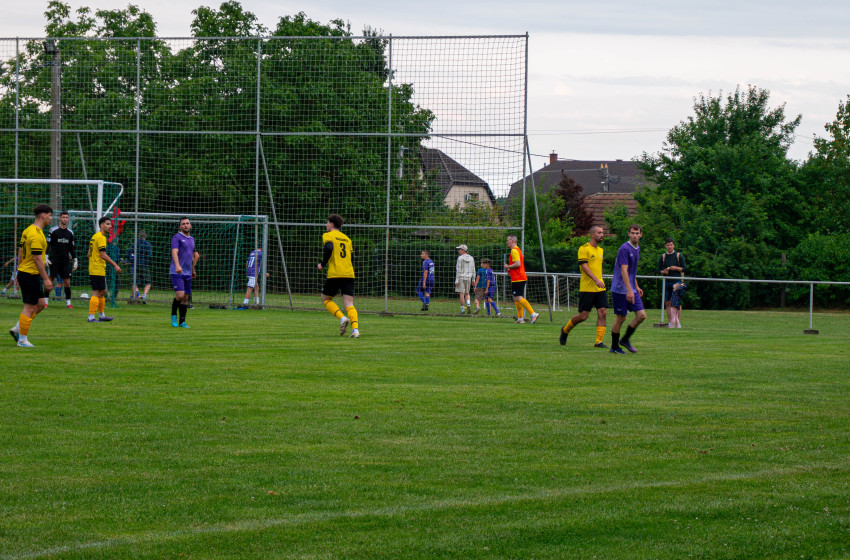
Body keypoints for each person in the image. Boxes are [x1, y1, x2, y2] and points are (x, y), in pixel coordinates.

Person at [9, 204, 53, 347]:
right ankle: (22, 340)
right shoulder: (35, 234)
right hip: (29, 274)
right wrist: (46, 279)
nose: (51, 218)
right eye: (50, 215)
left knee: (41, 304)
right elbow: (36, 258)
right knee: (29, 308)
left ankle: (18, 328)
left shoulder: (28, 230)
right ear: (43, 215)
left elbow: (20, 252)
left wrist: (18, 272)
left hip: (26, 272)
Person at [560, 225, 608, 348]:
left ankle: (599, 341)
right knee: (583, 316)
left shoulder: (601, 250)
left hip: (600, 288)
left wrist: (600, 278)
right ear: (592, 235)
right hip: (587, 288)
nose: (602, 235)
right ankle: (565, 330)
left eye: (602, 232)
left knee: (603, 312)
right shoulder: (583, 248)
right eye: (599, 232)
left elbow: (599, 267)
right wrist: (596, 279)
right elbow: (584, 267)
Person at [318, 214, 360, 338]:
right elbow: (352, 257)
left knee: (325, 299)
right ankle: (355, 330)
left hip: (335, 273)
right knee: (349, 303)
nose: (326, 225)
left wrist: (322, 264)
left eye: (327, 223)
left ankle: (342, 318)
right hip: (349, 273)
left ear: (331, 224)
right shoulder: (347, 239)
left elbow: (329, 247)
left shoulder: (328, 235)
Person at [609, 224, 646, 354]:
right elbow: (624, 271)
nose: (635, 235)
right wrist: (629, 290)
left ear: (641, 234)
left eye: (637, 233)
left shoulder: (637, 248)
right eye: (632, 233)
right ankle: (614, 347)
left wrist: (635, 286)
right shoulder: (624, 249)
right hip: (620, 289)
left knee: (641, 315)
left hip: (630, 288)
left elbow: (631, 272)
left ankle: (625, 340)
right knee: (621, 318)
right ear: (628, 234)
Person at [87, 217, 121, 323]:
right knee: (97, 292)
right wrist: (115, 265)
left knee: (103, 291)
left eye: (110, 224)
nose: (110, 226)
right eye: (108, 224)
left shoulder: (94, 236)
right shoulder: (101, 237)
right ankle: (91, 317)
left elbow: (88, 254)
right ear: (101, 225)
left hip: (96, 268)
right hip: (97, 269)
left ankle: (102, 315)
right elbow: (103, 254)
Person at [170, 217, 199, 328]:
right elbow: (174, 252)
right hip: (176, 271)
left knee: (186, 297)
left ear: (190, 225)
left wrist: (192, 270)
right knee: (180, 295)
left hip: (187, 272)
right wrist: (177, 266)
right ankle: (173, 316)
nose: (186, 225)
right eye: (183, 224)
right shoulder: (176, 237)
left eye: (187, 223)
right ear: (180, 226)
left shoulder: (191, 239)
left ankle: (182, 322)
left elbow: (194, 255)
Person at [504, 235, 539, 324]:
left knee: (517, 297)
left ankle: (533, 314)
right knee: (516, 297)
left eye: (508, 240)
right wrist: (510, 269)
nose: (507, 242)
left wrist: (508, 266)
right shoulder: (517, 250)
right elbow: (516, 265)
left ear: (512, 241)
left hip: (518, 277)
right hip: (518, 277)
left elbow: (518, 264)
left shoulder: (514, 250)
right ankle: (520, 318)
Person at [46, 210, 78, 309]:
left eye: (66, 217)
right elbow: (48, 244)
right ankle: (45, 301)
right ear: (60, 218)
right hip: (54, 260)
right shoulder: (53, 230)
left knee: (67, 282)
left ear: (68, 219)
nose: (65, 219)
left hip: (65, 261)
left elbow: (71, 248)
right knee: (50, 280)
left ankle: (68, 303)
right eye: (63, 217)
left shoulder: (70, 233)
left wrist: (75, 259)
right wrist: (46, 256)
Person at [658, 238, 686, 325]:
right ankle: (671, 322)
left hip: (677, 281)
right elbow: (658, 269)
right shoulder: (663, 257)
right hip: (666, 281)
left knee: (677, 302)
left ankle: (678, 322)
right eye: (668, 245)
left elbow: (684, 268)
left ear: (673, 245)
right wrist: (663, 271)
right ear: (665, 246)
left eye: (671, 245)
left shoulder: (679, 255)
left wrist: (676, 268)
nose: (669, 247)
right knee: (667, 302)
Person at [127, 229, 152, 303]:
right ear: (146, 236)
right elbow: (150, 256)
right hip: (144, 265)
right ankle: (143, 295)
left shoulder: (135, 244)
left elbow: (128, 253)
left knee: (134, 282)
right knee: (148, 282)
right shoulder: (148, 244)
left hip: (135, 265)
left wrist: (131, 260)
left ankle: (137, 295)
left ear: (138, 235)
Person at [454, 244, 475, 315]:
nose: (458, 251)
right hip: (469, 277)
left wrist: (456, 280)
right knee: (467, 293)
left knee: (461, 294)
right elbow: (473, 269)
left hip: (461, 277)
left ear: (463, 250)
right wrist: (473, 279)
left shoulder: (460, 258)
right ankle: (468, 304)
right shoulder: (471, 258)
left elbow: (458, 269)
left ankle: (462, 310)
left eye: (459, 249)